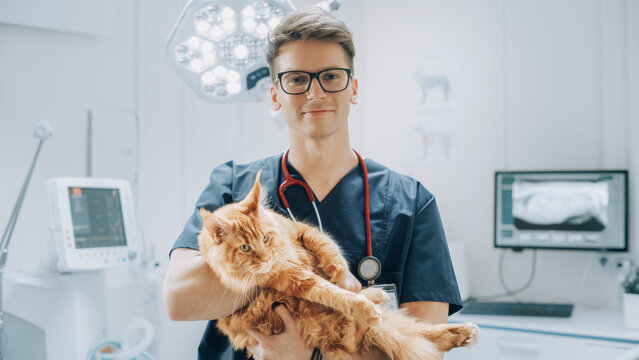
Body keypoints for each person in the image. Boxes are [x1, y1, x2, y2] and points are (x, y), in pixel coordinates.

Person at [163, 6, 463, 360]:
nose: (315, 93)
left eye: (331, 77)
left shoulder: (411, 202)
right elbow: (179, 299)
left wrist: (308, 356)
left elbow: (426, 350)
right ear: (275, 94)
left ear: (353, 87)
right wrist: (289, 268)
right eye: (296, 79)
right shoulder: (234, 186)